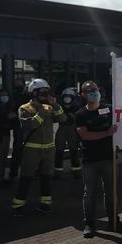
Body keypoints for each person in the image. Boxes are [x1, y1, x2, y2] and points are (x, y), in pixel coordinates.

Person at [74, 80, 122, 237]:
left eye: (95, 89)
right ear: (83, 95)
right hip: (90, 160)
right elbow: (84, 135)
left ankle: (113, 220)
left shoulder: (109, 110)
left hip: (109, 158)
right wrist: (107, 133)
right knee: (89, 193)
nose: (93, 92)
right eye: (89, 91)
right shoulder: (80, 114)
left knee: (111, 191)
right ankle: (89, 224)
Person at [12, 79, 67, 215]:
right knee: (27, 178)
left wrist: (56, 105)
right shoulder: (24, 108)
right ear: (33, 93)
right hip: (32, 150)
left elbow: (63, 119)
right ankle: (18, 206)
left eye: (46, 91)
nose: (44, 94)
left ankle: (45, 204)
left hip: (49, 150)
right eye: (41, 92)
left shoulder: (49, 107)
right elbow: (30, 125)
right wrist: (42, 111)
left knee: (47, 177)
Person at [54, 87, 83, 178]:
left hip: (72, 132)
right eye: (65, 97)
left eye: (69, 97)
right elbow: (56, 118)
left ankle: (77, 172)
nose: (67, 99)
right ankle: (58, 172)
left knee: (74, 152)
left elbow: (72, 119)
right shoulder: (60, 107)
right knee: (59, 152)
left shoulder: (76, 108)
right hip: (62, 131)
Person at [9, 80, 30, 180]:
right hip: (23, 126)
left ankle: (14, 173)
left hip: (19, 126)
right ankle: (23, 173)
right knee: (24, 150)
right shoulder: (26, 97)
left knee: (18, 150)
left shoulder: (14, 97)